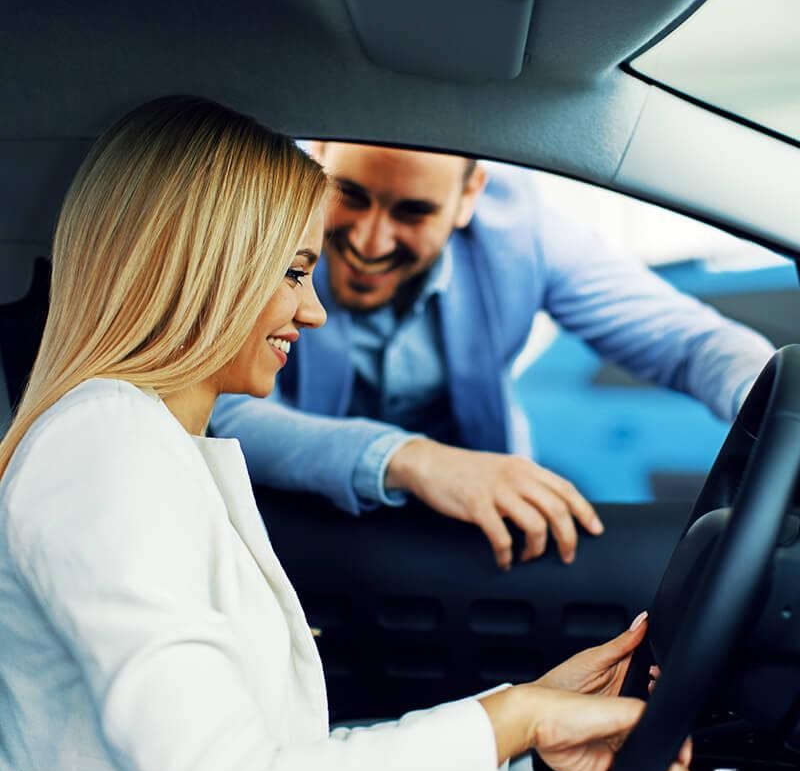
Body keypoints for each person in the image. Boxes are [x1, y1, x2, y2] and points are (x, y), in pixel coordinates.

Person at [0, 96, 693, 771]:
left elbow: (274, 758)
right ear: (201, 267)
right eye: (295, 273)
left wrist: (526, 737)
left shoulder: (150, 445)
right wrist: (516, 717)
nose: (315, 310)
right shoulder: (107, 450)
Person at [211, 143, 775, 568]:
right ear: (321, 157)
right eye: (349, 195)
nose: (369, 241)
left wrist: (779, 408)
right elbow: (225, 414)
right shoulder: (262, 233)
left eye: (412, 213)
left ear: (470, 196)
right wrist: (413, 459)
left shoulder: (525, 239)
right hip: (292, 533)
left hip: (470, 542)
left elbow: (688, 341)